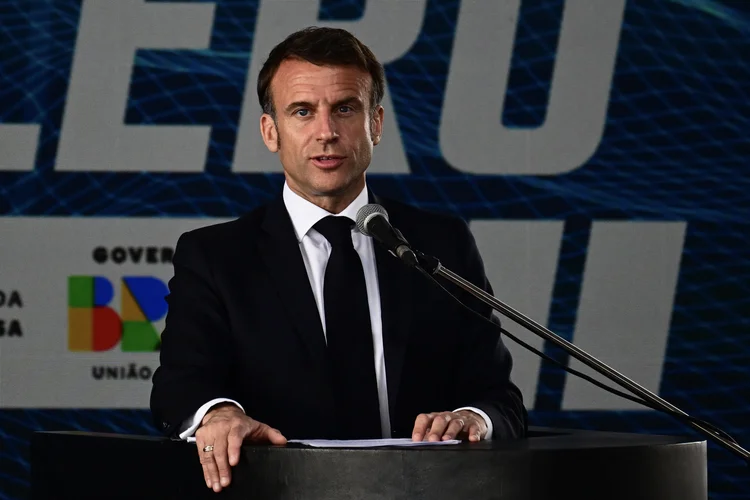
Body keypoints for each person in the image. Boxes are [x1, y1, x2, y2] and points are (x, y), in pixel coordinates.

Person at [150, 26, 527, 494]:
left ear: (376, 124)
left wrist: (473, 419)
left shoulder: (439, 245)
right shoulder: (215, 256)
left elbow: (499, 397)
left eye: (345, 108)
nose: (326, 132)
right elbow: (179, 386)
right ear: (271, 131)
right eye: (302, 112)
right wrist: (219, 414)